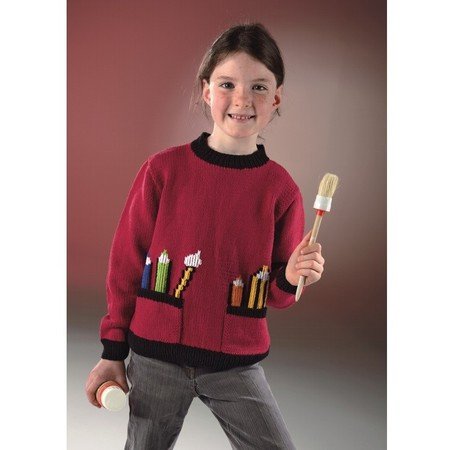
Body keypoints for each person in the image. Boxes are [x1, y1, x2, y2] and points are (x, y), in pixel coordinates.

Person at [85, 22, 325, 449]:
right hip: (155, 357)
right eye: (228, 84)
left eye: (258, 87)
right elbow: (126, 264)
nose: (242, 100)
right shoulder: (162, 170)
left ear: (276, 98)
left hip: (235, 363)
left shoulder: (281, 190)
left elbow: (277, 294)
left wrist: (293, 276)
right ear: (207, 91)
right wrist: (112, 351)